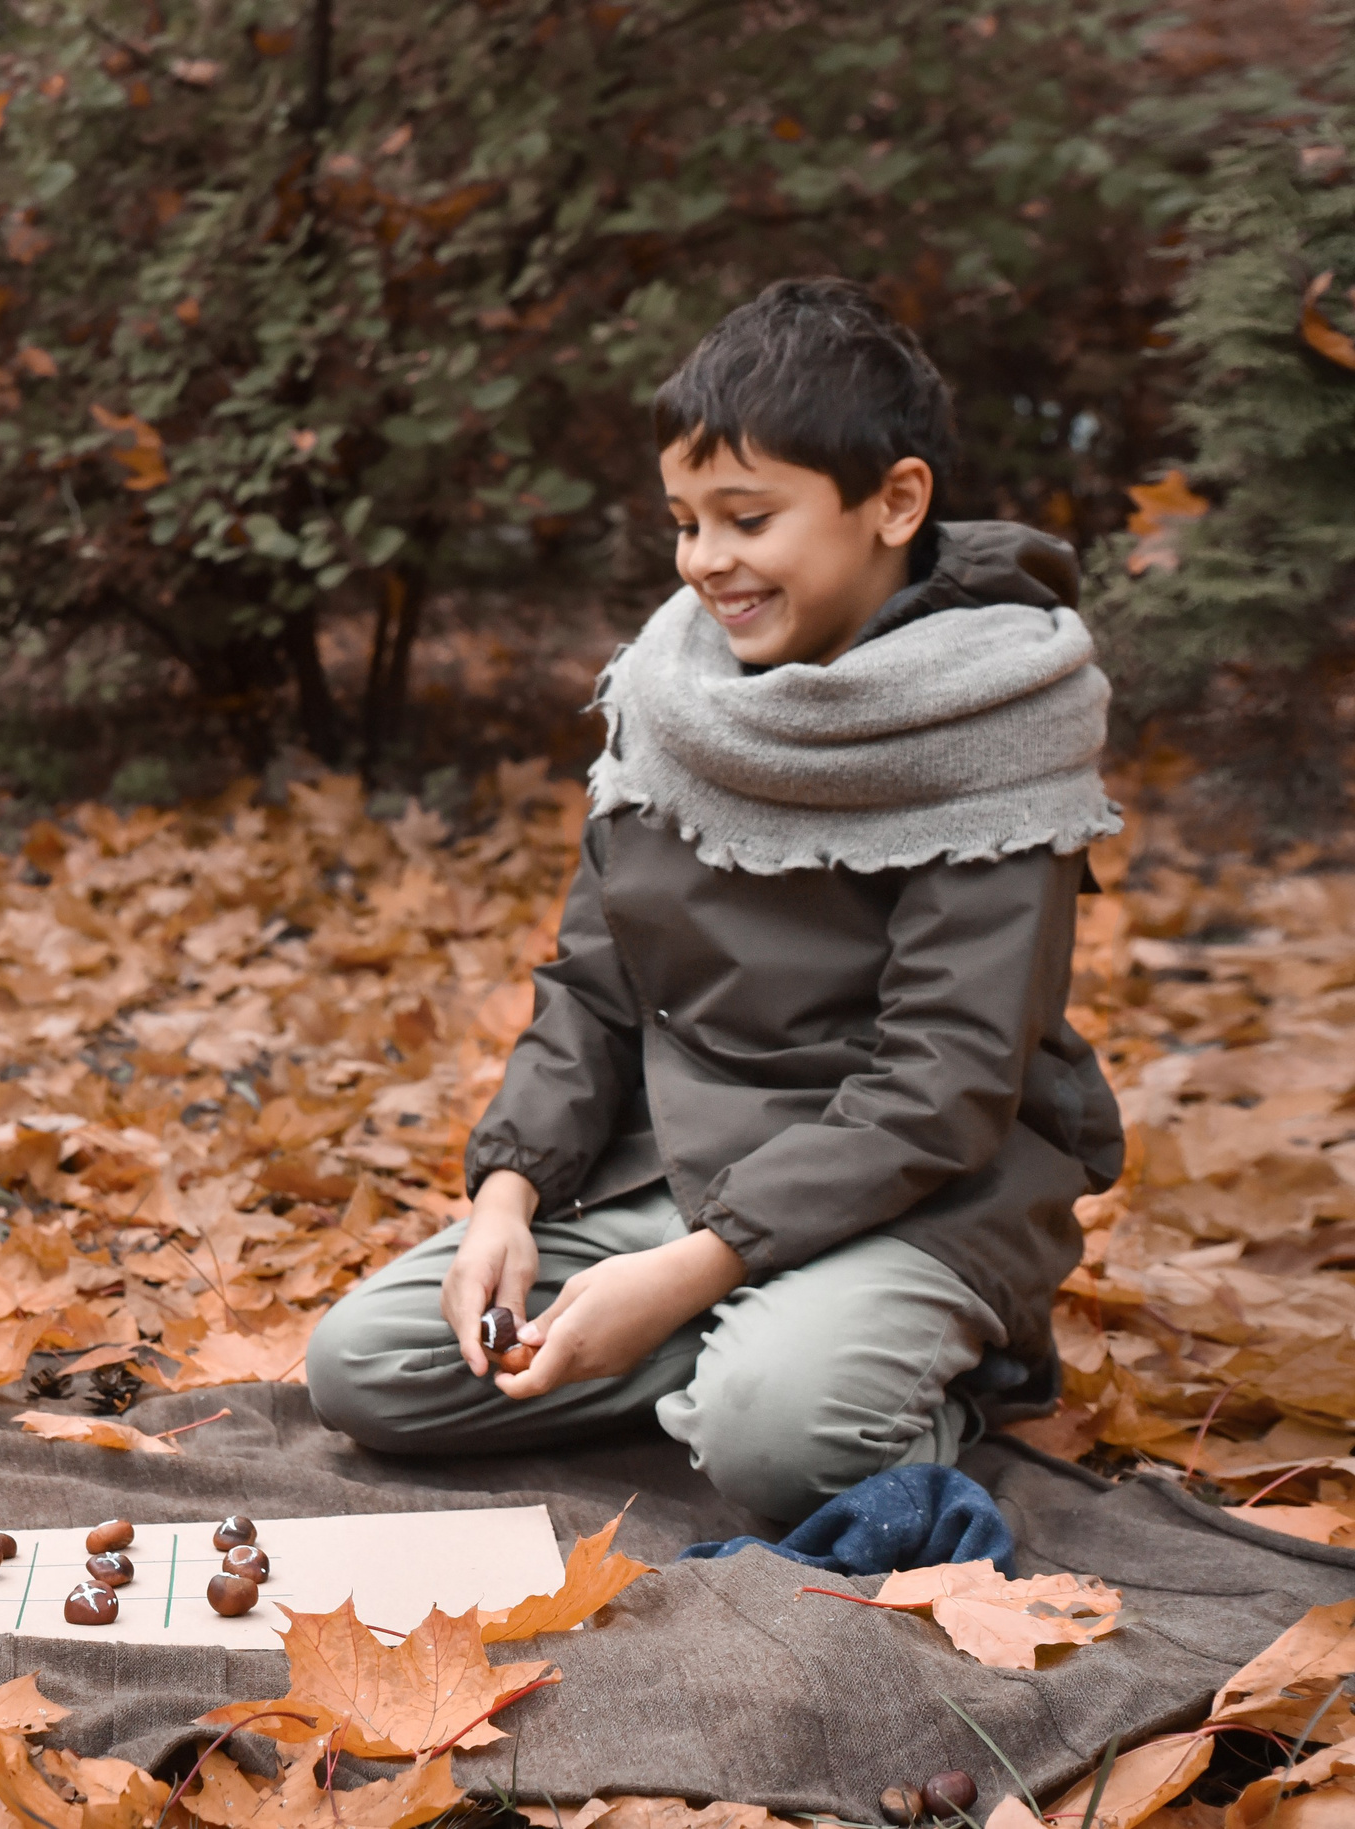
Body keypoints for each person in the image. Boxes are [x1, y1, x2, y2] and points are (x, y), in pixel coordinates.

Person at [305, 278, 1126, 1522]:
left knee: (779, 1447)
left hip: (921, 1195)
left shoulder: (993, 720)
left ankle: (859, 1370)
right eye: (684, 522)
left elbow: (944, 1081)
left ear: (895, 502)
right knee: (367, 1366)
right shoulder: (673, 692)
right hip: (680, 1167)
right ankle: (748, 1348)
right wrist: (507, 1193)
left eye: (747, 518)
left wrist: (692, 1271)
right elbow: (594, 987)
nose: (704, 561)